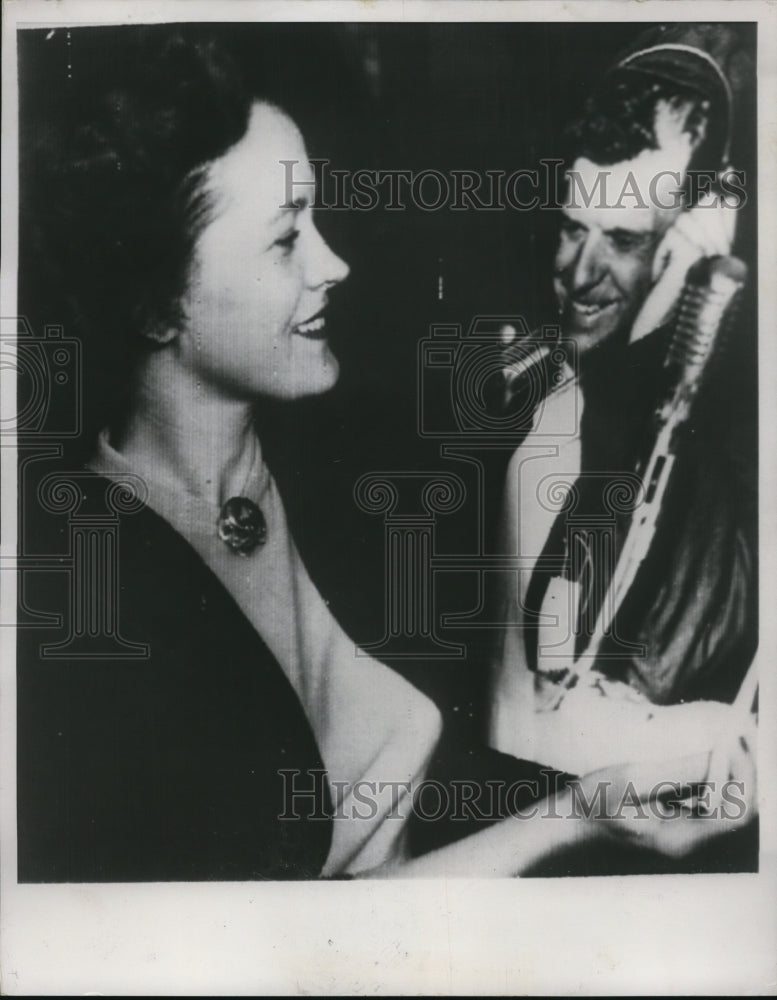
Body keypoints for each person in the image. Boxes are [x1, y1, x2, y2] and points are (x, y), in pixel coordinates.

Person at [16, 24, 754, 882]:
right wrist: (580, 818)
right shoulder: (89, 606)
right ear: (156, 305)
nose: (335, 262)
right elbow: (272, 948)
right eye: (286, 238)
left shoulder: (351, 461)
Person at [488, 24, 758, 792]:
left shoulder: (721, 442)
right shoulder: (536, 411)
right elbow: (530, 718)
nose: (579, 274)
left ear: (693, 244)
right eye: (572, 228)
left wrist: (691, 298)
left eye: (625, 241)